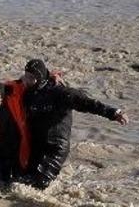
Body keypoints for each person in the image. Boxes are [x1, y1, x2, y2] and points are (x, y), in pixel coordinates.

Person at [21, 59, 128, 190]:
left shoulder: (60, 93)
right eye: (25, 76)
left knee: (40, 183)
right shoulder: (27, 91)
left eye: (31, 78)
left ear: (40, 78)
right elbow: (2, 91)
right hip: (37, 143)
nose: (26, 80)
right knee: (24, 179)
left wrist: (113, 113)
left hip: (56, 145)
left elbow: (87, 103)